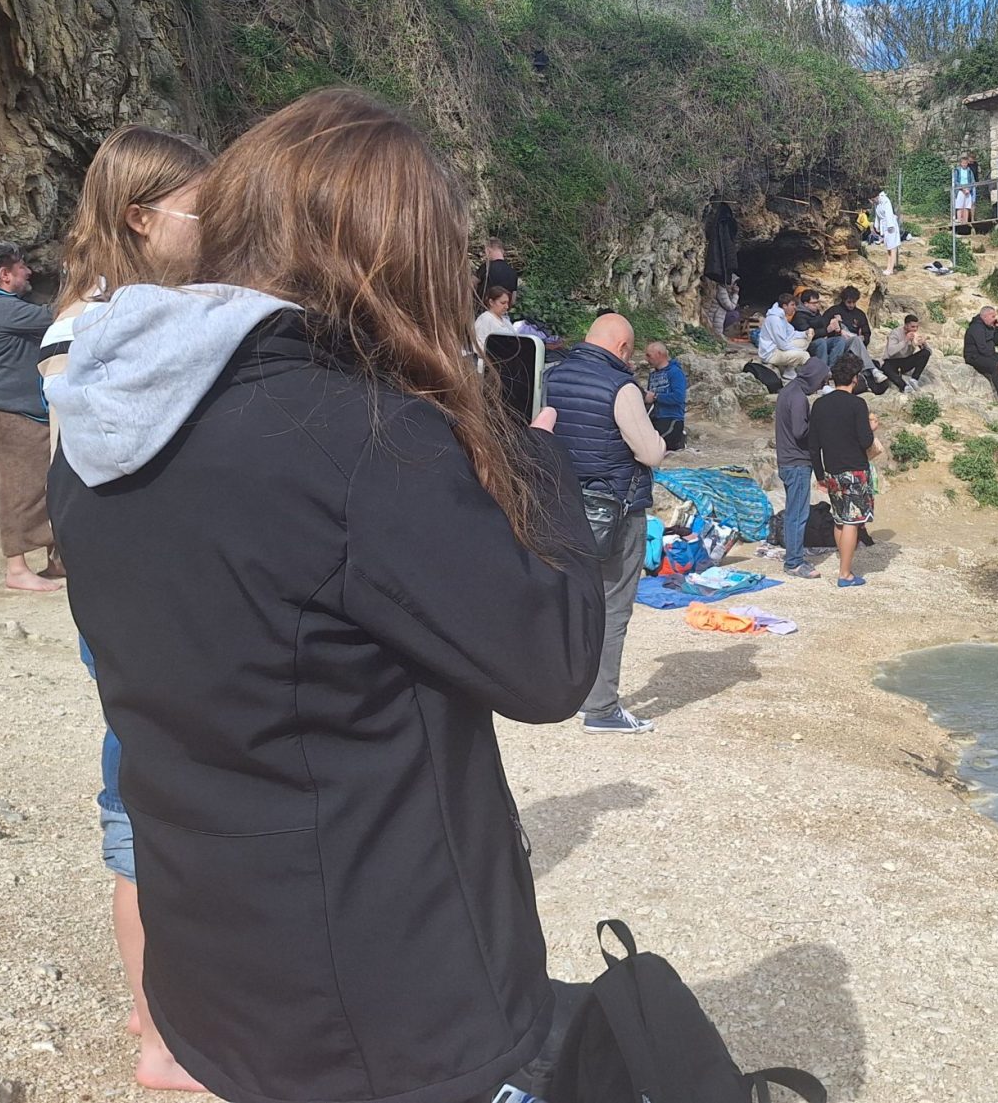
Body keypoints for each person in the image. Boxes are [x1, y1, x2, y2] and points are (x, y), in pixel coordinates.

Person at [45, 89, 604, 1103]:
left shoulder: (98, 424)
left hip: (210, 955)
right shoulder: (357, 440)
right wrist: (536, 463)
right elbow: (551, 663)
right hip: (378, 996)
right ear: (392, 259)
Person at [36, 122, 210, 1095]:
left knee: (160, 814)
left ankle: (167, 1012)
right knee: (141, 823)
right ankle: (161, 1039)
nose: (220, 224)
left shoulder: (125, 313)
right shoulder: (96, 328)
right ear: (141, 217)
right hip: (145, 615)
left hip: (155, 608)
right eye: (202, 208)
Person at [553, 312, 668, 735]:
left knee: (570, 603)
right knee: (612, 607)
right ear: (622, 348)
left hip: (561, 506)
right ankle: (601, 708)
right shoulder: (620, 387)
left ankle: (565, 693)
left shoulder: (552, 375)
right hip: (613, 511)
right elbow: (650, 453)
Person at [0, 242, 63, 592]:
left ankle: (58, 561)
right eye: (22, 266)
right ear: (4, 275)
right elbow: (52, 316)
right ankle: (17, 569)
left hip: (32, 410)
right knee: (18, 490)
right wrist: (87, 293)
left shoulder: (5, 306)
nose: (29, 271)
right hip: (13, 414)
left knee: (51, 485)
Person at [808, 355, 881, 587]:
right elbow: (865, 440)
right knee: (852, 521)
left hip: (832, 470)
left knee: (840, 519)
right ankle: (845, 573)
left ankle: (844, 564)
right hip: (854, 470)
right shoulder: (857, 404)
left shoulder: (819, 405)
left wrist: (820, 475)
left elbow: (813, 445)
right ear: (855, 378)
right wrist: (871, 427)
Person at [774, 357, 830, 580]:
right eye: (822, 380)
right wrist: (819, 425)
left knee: (793, 512)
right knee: (798, 514)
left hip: (786, 460)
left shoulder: (787, 391)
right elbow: (800, 431)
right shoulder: (798, 398)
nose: (822, 385)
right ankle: (794, 562)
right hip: (797, 462)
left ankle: (793, 556)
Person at [644, 340, 688, 451]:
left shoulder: (675, 372)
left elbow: (679, 397)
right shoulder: (652, 375)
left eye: (649, 355)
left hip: (671, 418)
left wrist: (656, 397)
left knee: (656, 448)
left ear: (659, 354)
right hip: (654, 418)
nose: (646, 359)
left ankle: (680, 439)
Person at [756, 292, 809, 373]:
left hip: (778, 347)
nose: (795, 308)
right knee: (804, 355)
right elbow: (782, 345)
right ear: (784, 306)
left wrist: (805, 333)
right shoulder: (775, 319)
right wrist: (799, 351)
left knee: (804, 341)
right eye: (792, 305)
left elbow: (791, 333)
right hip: (771, 354)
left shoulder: (781, 316)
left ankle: (789, 369)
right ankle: (793, 373)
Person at [878, 314, 932, 392]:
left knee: (925, 353)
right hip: (892, 361)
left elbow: (929, 352)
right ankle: (904, 386)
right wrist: (905, 340)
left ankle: (914, 379)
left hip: (906, 361)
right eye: (912, 327)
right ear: (906, 326)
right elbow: (890, 351)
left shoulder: (915, 335)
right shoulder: (895, 333)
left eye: (916, 327)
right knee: (886, 368)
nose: (915, 329)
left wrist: (923, 343)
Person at [479, 236, 518, 303]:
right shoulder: (513, 272)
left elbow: (471, 285)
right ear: (502, 251)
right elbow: (513, 300)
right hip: (504, 308)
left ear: (488, 250)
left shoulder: (486, 267)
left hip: (485, 307)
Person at [872, 190, 902, 276]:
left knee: (892, 247)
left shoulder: (885, 200)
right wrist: (876, 226)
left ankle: (891, 269)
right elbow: (877, 216)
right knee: (888, 247)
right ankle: (888, 267)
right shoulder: (877, 203)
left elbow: (889, 213)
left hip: (890, 226)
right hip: (884, 225)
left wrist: (890, 226)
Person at [952, 155, 977, 228]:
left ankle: (965, 221)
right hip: (960, 189)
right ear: (961, 163)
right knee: (959, 205)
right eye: (963, 163)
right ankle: (959, 220)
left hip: (968, 190)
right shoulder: (957, 170)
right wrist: (962, 188)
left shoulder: (969, 171)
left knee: (967, 206)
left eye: (965, 163)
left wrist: (969, 189)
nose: (964, 164)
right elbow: (955, 181)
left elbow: (972, 181)